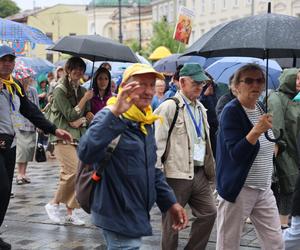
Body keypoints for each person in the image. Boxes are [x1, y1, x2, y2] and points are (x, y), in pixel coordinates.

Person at [77, 63, 188, 249]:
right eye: (141, 84)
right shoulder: (109, 115)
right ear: (125, 88)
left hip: (135, 211)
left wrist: (170, 202)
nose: (148, 91)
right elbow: (86, 152)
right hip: (116, 211)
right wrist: (115, 114)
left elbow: (150, 169)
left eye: (152, 85)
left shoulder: (145, 120)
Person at [0, 45, 72, 250]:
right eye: (3, 60)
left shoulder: (14, 85)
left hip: (10, 142)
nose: (7, 64)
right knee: (1, 187)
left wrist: (53, 129)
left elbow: (30, 110)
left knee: (5, 194)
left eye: (10, 60)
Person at [216, 63, 284, 250]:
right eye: (249, 81)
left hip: (263, 186)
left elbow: (268, 140)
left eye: (260, 80)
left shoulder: (260, 107)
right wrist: (256, 131)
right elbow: (236, 154)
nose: (256, 85)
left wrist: (276, 144)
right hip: (239, 188)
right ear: (236, 86)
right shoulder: (232, 111)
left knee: (275, 242)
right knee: (228, 244)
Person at [154, 63, 216, 250]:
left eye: (202, 83)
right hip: (175, 175)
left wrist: (210, 171)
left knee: (209, 213)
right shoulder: (169, 107)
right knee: (172, 223)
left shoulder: (200, 109)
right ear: (182, 82)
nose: (200, 87)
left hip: (199, 173)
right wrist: (157, 177)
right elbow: (157, 144)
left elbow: (204, 142)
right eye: (195, 83)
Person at [45, 57, 94, 226]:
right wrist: (84, 100)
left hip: (77, 136)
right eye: (75, 69)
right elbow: (71, 115)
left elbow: (86, 115)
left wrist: (83, 119)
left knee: (71, 173)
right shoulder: (60, 90)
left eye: (81, 69)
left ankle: (70, 212)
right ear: (68, 70)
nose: (78, 72)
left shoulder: (80, 89)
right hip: (61, 136)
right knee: (73, 170)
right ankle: (53, 203)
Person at [268, 68, 300, 229]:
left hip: (295, 151)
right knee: (288, 187)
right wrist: (276, 151)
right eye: (297, 79)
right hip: (284, 151)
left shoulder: (295, 98)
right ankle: (282, 226)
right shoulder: (276, 98)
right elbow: (277, 129)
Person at [13, 64, 39, 185]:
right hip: (19, 124)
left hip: (31, 123)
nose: (26, 79)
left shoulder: (33, 90)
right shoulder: (15, 89)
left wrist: (39, 122)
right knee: (22, 150)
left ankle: (24, 173)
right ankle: (19, 174)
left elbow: (36, 106)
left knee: (29, 149)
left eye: (28, 77)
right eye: (24, 77)